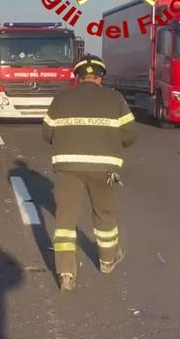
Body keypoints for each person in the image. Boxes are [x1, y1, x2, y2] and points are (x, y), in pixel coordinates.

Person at [42, 54, 136, 291]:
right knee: (105, 215)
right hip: (104, 168)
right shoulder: (116, 99)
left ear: (78, 76)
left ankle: (66, 273)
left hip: (68, 167)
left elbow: (47, 134)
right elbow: (129, 135)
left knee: (65, 220)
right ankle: (107, 261)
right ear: (101, 77)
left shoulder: (61, 99)